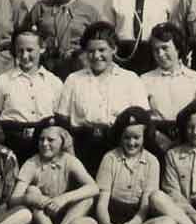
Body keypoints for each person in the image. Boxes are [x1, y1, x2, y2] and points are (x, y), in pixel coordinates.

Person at [68, 107, 177, 224]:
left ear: (144, 137)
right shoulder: (110, 158)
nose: (131, 143)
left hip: (137, 220)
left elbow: (146, 204)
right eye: (127, 137)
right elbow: (102, 202)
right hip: (110, 217)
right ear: (120, 136)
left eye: (136, 138)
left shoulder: (152, 162)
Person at [56, 21, 149, 175]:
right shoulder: (74, 80)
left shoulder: (130, 79)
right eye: (91, 51)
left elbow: (142, 120)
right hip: (82, 147)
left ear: (114, 49)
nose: (96, 56)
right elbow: (62, 120)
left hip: (119, 147)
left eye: (102, 50)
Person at [10, 116, 98, 224]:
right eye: (41, 139)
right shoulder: (32, 163)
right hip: (40, 217)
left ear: (63, 142)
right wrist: (30, 199)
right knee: (32, 190)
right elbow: (13, 200)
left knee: (87, 199)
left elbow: (94, 188)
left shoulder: (69, 160)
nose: (44, 144)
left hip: (63, 215)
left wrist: (64, 198)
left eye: (51, 140)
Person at [0, 25, 64, 164]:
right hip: (11, 145)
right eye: (20, 50)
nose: (24, 56)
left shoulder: (54, 82)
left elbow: (58, 120)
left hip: (43, 145)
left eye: (30, 50)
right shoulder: (3, 81)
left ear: (42, 49)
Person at [26, 0, 101, 80]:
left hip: (79, 70)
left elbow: (99, 43)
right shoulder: (41, 7)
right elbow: (26, 36)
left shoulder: (90, 12)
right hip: (45, 69)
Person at [141, 22, 196, 152]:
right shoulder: (144, 80)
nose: (160, 54)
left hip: (187, 138)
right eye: (155, 50)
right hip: (155, 139)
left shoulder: (195, 78)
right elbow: (143, 118)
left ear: (178, 48)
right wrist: (158, 138)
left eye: (165, 48)